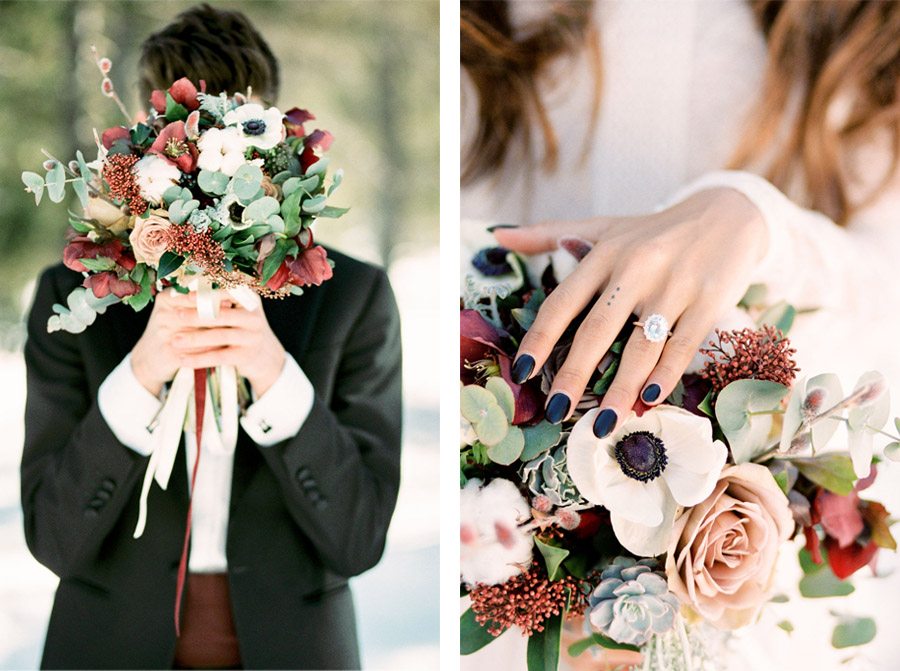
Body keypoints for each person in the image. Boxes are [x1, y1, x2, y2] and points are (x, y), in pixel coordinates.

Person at [461, 1, 900, 669]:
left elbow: (884, 290)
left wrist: (758, 224)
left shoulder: (864, 26)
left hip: (758, 625)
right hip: (501, 580)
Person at [21, 5, 402, 669]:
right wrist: (138, 375)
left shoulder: (350, 296)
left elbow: (359, 538)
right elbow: (52, 538)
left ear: (277, 146)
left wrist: (274, 374)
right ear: (143, 144)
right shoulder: (76, 293)